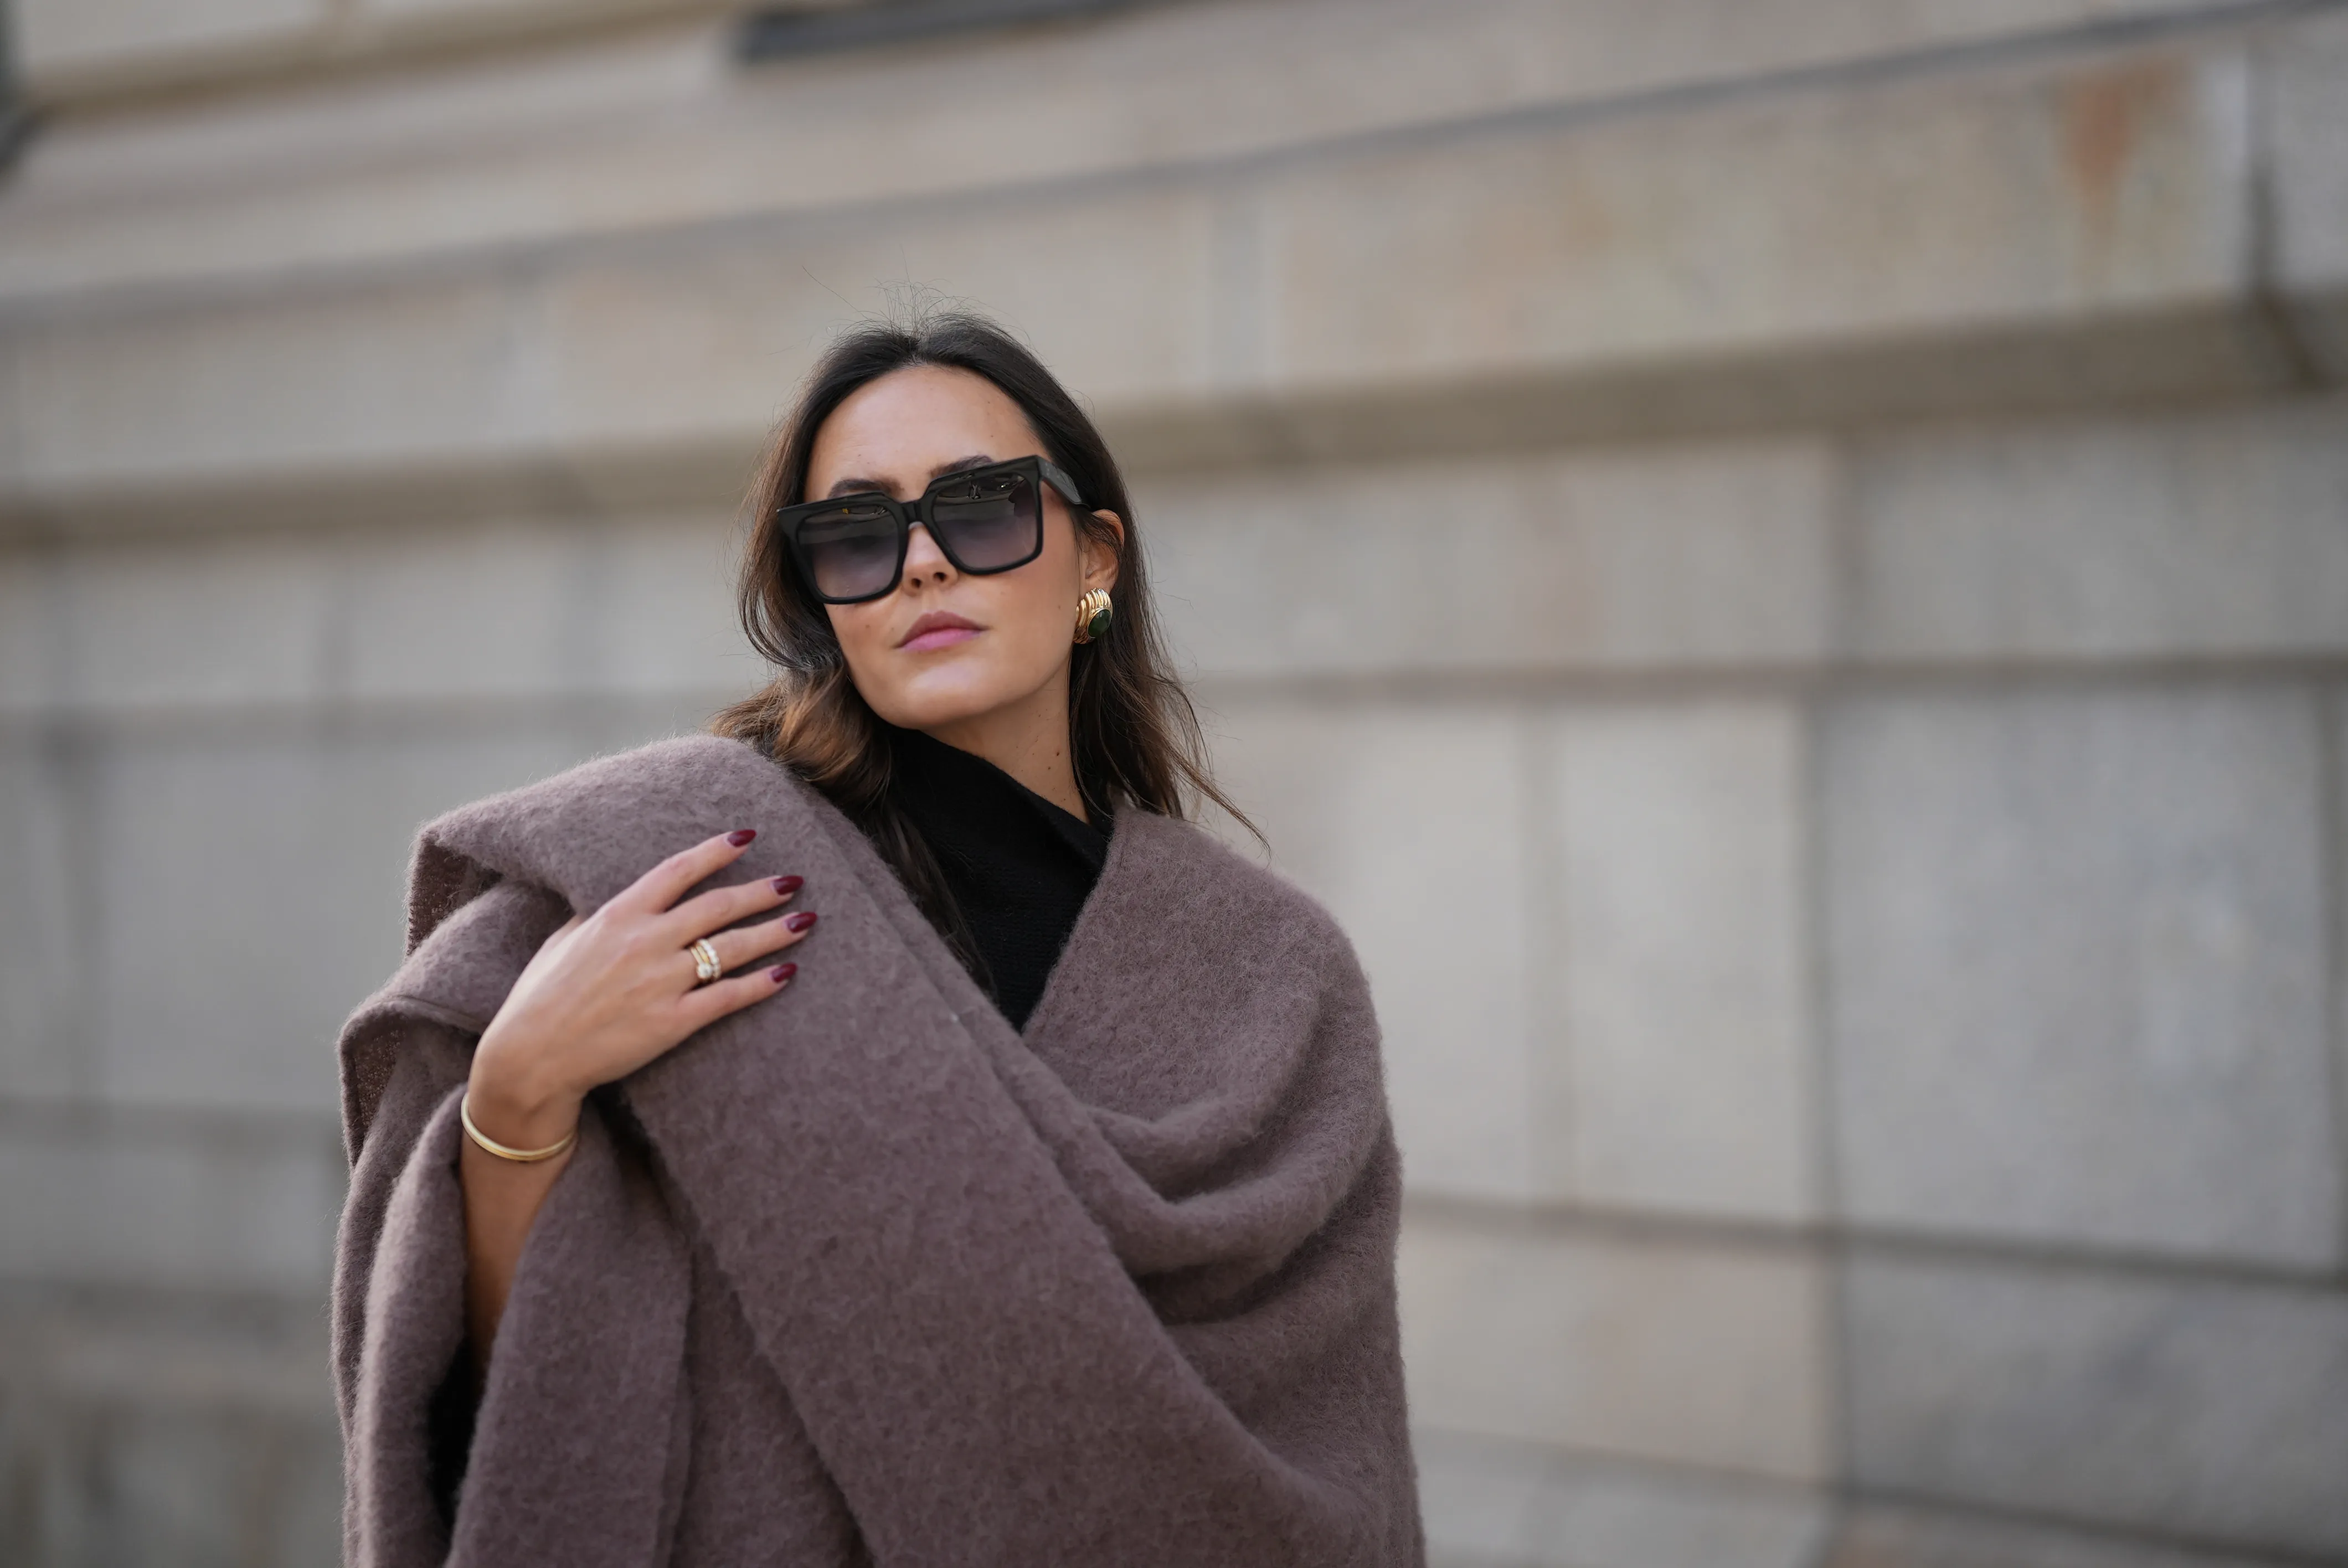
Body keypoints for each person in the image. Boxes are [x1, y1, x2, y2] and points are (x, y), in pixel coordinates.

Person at [333, 310, 1423, 1566]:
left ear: (1093, 559)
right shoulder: (674, 875)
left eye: (980, 506)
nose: (920, 565)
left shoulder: (1270, 979)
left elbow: (1327, 1476)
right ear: (817, 596)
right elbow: (515, 1409)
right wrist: (517, 1092)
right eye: (854, 532)